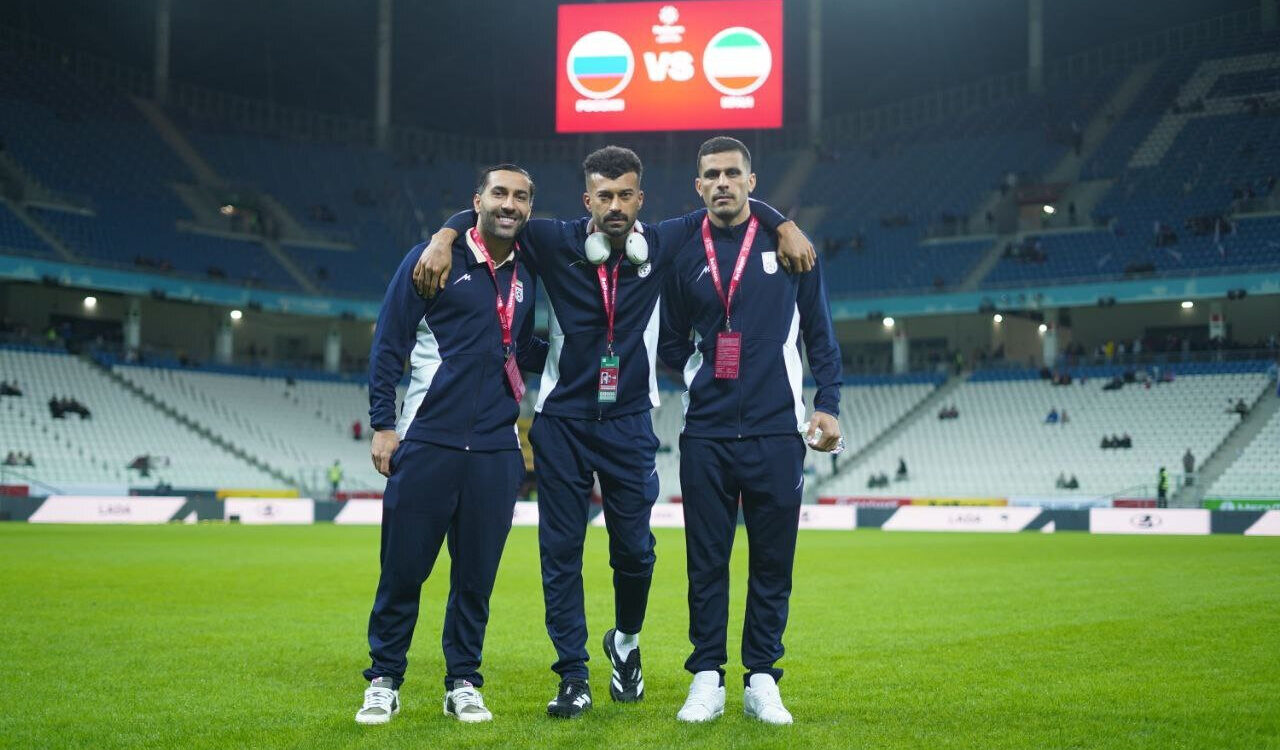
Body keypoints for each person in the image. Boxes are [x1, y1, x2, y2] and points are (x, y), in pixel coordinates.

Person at [410, 146, 814, 718]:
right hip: (562, 423)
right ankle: (572, 675)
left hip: (629, 423)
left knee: (636, 553)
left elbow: (727, 205)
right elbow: (494, 218)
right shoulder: (553, 241)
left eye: (626, 195)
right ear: (588, 200)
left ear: (640, 199)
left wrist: (784, 224)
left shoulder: (664, 242)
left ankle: (625, 641)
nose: (616, 206)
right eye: (605, 196)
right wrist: (444, 237)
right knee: (560, 554)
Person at [659, 136, 842, 725]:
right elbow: (670, 343)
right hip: (705, 434)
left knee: (772, 563)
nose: (722, 183)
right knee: (705, 563)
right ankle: (707, 677)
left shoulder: (790, 247)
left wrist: (828, 403)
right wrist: (706, 370)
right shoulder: (684, 253)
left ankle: (762, 676)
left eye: (732, 174)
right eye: (711, 175)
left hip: (776, 431)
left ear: (751, 182)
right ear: (698, 186)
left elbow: (820, 333)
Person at [356, 165, 546, 726]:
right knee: (402, 571)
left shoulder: (530, 266)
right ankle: (384, 679)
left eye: (520, 197)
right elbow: (389, 342)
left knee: (475, 580)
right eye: (499, 193)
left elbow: (513, 348)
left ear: (529, 208)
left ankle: (463, 681)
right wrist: (383, 424)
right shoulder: (432, 259)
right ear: (477, 201)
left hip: (497, 449)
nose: (509, 204)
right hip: (427, 439)